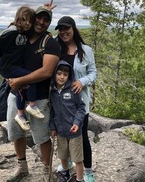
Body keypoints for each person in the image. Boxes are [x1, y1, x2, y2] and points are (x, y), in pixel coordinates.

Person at [6, 0, 61, 181]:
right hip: (16, 96)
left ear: (49, 24)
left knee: (42, 137)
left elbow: (46, 72)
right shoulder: (21, 36)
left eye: (46, 20)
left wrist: (20, 80)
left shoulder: (50, 42)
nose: (41, 22)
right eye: (39, 17)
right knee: (16, 133)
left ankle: (47, 171)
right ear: (33, 18)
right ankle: (22, 167)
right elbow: (7, 55)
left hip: (39, 99)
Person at [55, 16, 97, 182]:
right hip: (61, 102)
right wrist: (44, 12)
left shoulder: (86, 50)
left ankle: (87, 171)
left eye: (67, 29)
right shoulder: (56, 49)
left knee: (82, 136)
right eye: (61, 29)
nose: (64, 32)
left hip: (79, 102)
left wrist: (82, 81)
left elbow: (93, 72)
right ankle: (68, 162)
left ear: (73, 29)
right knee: (63, 135)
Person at [0, 5, 44, 132]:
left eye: (30, 21)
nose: (27, 23)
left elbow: (40, 30)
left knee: (22, 87)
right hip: (7, 66)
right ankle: (32, 105)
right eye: (24, 20)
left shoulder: (25, 32)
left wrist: (46, 10)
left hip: (13, 66)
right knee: (30, 77)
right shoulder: (12, 31)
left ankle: (20, 115)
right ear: (18, 19)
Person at [50, 60, 86, 182]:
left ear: (69, 76)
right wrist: (52, 127)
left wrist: (77, 123)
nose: (62, 77)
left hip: (74, 131)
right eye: (59, 73)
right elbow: (52, 112)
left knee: (77, 158)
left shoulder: (73, 89)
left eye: (65, 75)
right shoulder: (52, 92)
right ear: (54, 74)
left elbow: (81, 108)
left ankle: (80, 179)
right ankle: (65, 173)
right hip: (60, 131)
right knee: (63, 155)